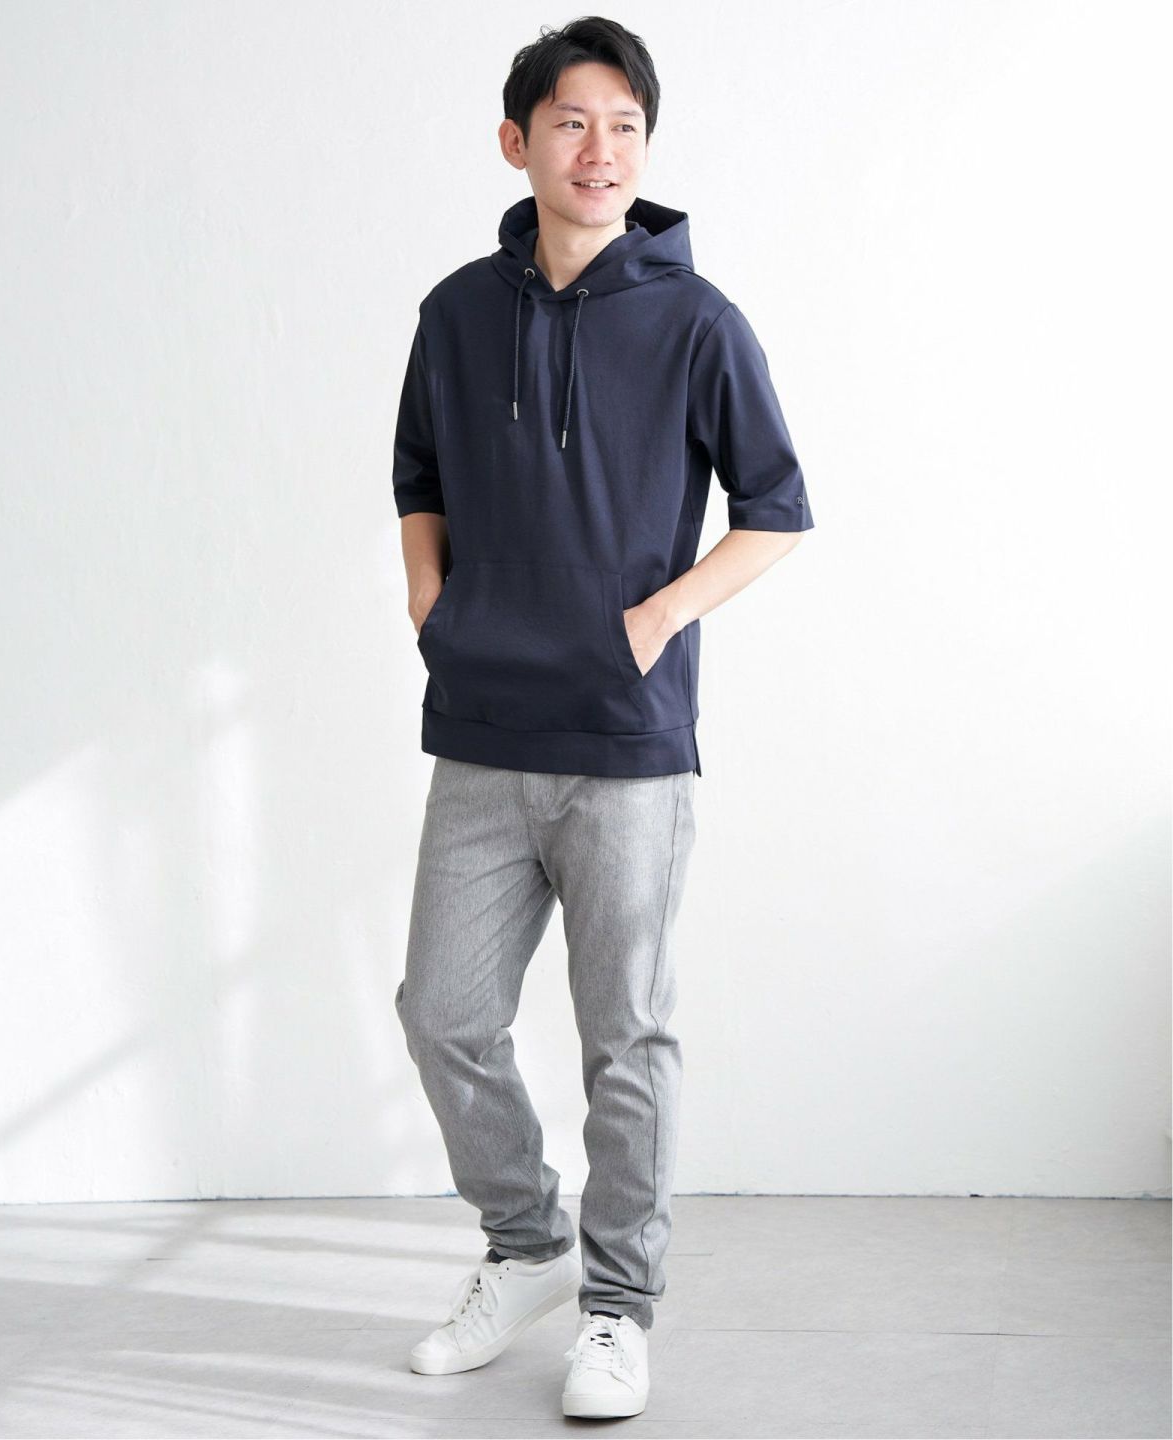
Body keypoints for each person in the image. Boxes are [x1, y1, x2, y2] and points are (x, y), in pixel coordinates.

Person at [391, 15, 814, 1421]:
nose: (601, 149)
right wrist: (429, 601)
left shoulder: (698, 321)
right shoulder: (456, 312)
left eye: (624, 125)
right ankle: (526, 1243)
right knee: (443, 1014)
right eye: (573, 122)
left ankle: (619, 1310)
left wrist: (661, 616)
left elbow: (777, 510)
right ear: (517, 142)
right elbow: (417, 474)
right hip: (481, 731)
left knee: (624, 1039)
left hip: (628, 749)